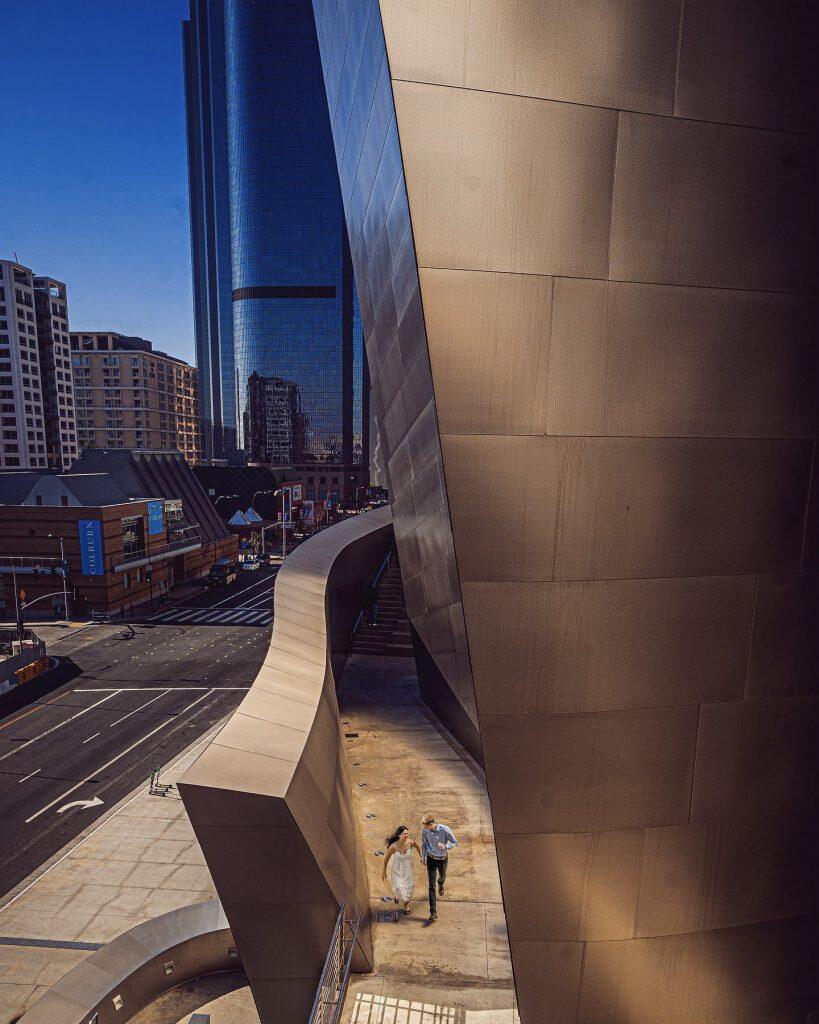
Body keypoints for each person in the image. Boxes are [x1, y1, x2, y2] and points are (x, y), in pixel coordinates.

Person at [420, 813, 457, 921]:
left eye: (426, 826)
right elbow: (424, 844)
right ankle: (433, 912)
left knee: (441, 878)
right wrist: (424, 857)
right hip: (431, 859)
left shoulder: (445, 830)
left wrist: (446, 846)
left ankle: (441, 884)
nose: (425, 828)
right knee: (431, 886)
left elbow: (455, 842)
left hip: (442, 860)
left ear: (431, 824)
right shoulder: (425, 831)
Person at [381, 824, 421, 915]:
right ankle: (397, 895)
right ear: (399, 835)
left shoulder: (411, 843)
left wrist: (421, 857)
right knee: (399, 887)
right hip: (397, 870)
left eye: (407, 834)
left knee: (409, 888)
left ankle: (406, 905)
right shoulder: (393, 847)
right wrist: (384, 871)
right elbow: (386, 859)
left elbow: (418, 848)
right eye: (404, 834)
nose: (406, 835)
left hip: (408, 870)